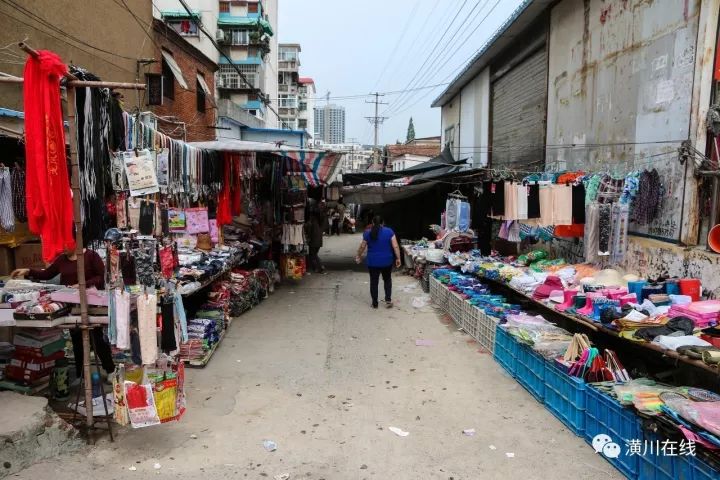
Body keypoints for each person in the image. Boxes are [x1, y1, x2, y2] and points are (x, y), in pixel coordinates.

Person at [11, 247, 114, 379]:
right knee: (77, 340)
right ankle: (81, 375)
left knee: (97, 338)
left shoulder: (91, 256)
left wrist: (82, 284)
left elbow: (101, 277)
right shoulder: (62, 259)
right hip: (71, 305)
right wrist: (28, 271)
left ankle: (110, 369)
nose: (62, 249)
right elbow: (47, 274)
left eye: (65, 245)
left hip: (91, 304)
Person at [355, 215, 401, 308]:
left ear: (372, 223)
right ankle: (388, 300)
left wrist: (358, 256)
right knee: (387, 280)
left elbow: (362, 246)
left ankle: (375, 303)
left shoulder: (367, 233)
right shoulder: (389, 231)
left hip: (373, 262)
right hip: (387, 261)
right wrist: (398, 258)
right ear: (383, 223)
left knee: (374, 282)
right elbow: (395, 246)